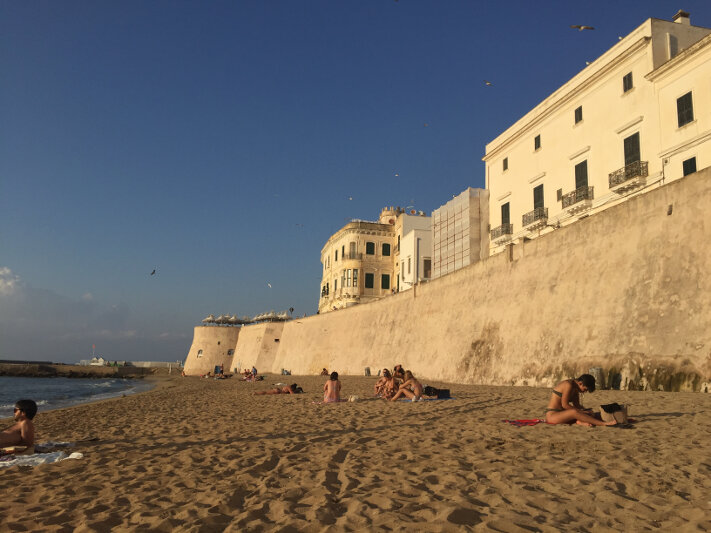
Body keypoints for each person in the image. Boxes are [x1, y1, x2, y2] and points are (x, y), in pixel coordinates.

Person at [545, 374, 616, 426]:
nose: (585, 391)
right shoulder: (568, 385)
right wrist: (581, 412)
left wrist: (586, 411)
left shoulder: (576, 388)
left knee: (587, 412)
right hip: (553, 416)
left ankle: (579, 421)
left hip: (564, 415)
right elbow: (565, 405)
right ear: (580, 383)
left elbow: (577, 406)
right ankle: (603, 423)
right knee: (574, 412)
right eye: (585, 389)